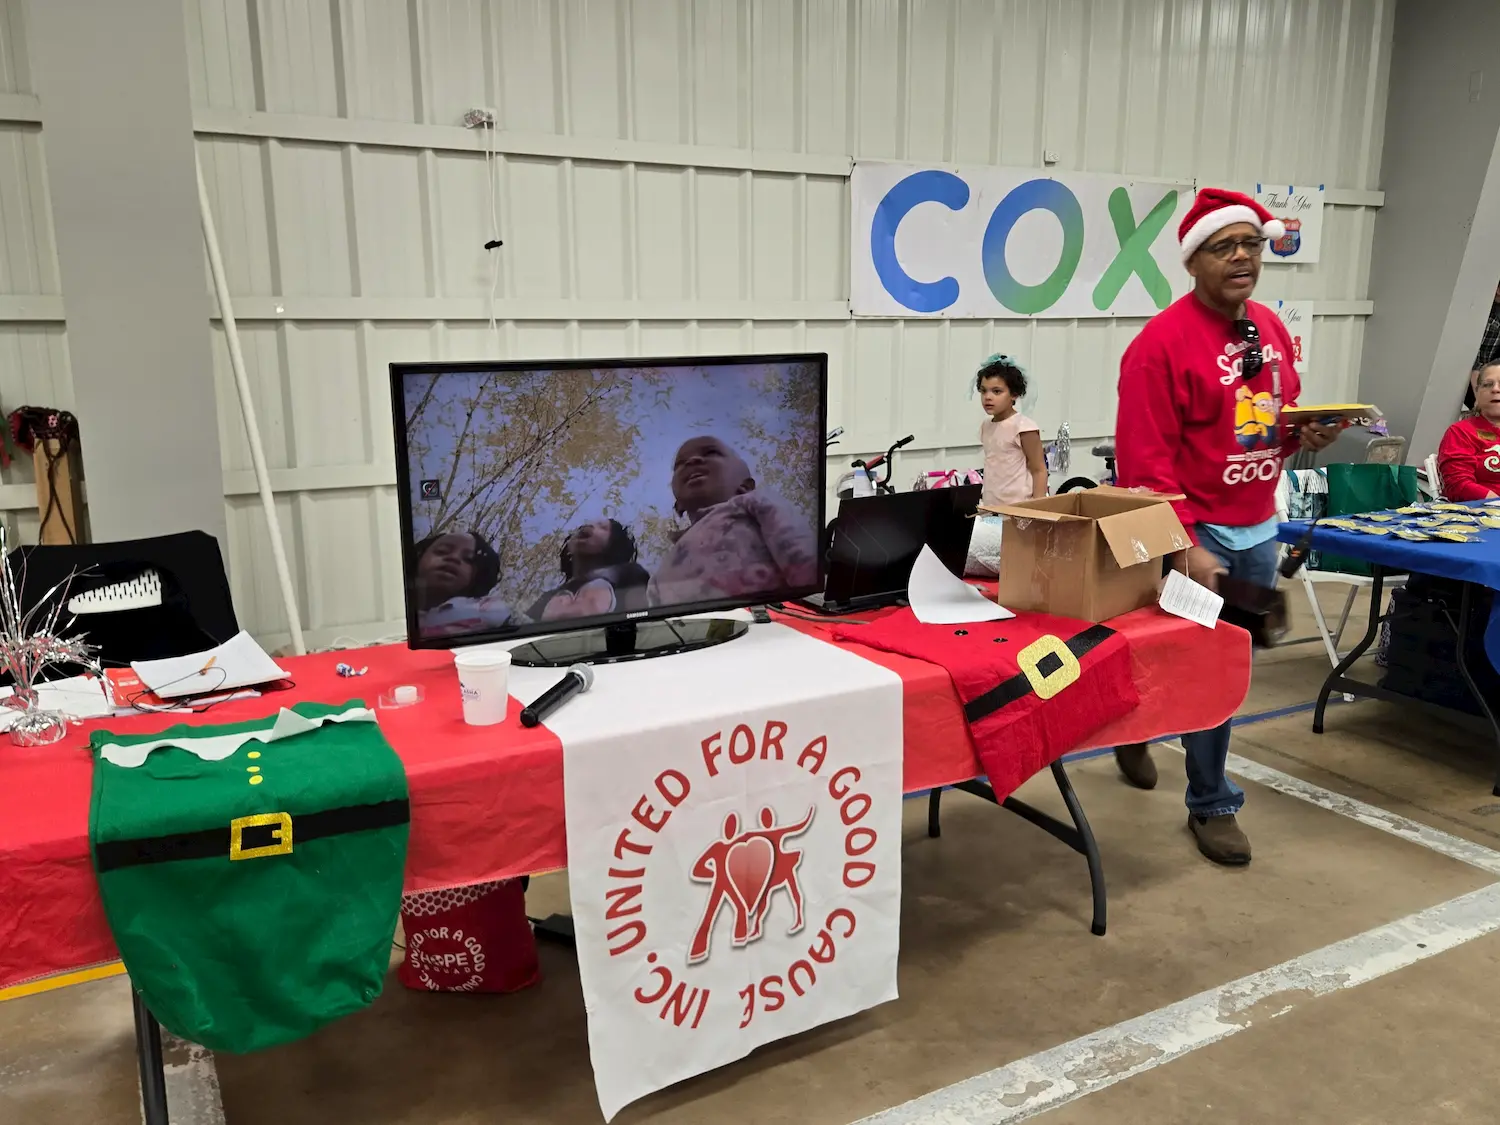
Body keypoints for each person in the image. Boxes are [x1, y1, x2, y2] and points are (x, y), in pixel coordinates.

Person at [1112, 187, 1341, 866]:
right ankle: (1210, 800)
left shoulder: (1267, 328)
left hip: (1256, 524)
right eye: (1225, 245)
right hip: (1196, 529)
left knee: (1227, 663)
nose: (1243, 256)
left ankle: (1170, 755)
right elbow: (1144, 464)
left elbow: (1277, 412)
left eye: (1253, 244)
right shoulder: (1159, 346)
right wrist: (1183, 549)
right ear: (1193, 260)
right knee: (1193, 661)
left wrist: (1310, 433)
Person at [648, 436, 819, 606]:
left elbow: (796, 545)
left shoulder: (753, 503)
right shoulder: (668, 561)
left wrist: (810, 597)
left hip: (767, 620)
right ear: (679, 505)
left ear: (745, 487)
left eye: (711, 452)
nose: (692, 461)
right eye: (680, 463)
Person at [526, 519, 651, 620]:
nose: (589, 525)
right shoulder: (547, 598)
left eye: (602, 527)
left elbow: (641, 622)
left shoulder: (629, 576)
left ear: (614, 544)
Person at [410, 530, 526, 637]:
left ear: (479, 574)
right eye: (442, 551)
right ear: (419, 557)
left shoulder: (489, 609)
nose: (454, 558)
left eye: (468, 559)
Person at [976, 354, 1048, 508]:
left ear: (1014, 394)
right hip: (991, 508)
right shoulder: (986, 426)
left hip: (1019, 510)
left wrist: (1038, 510)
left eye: (996, 392)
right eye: (983, 391)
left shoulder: (1024, 427)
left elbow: (1039, 470)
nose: (988, 397)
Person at [1439, 361, 1500, 500]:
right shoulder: (1461, 432)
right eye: (1487, 384)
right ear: (1477, 393)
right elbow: (1458, 485)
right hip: (1482, 514)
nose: (1495, 389)